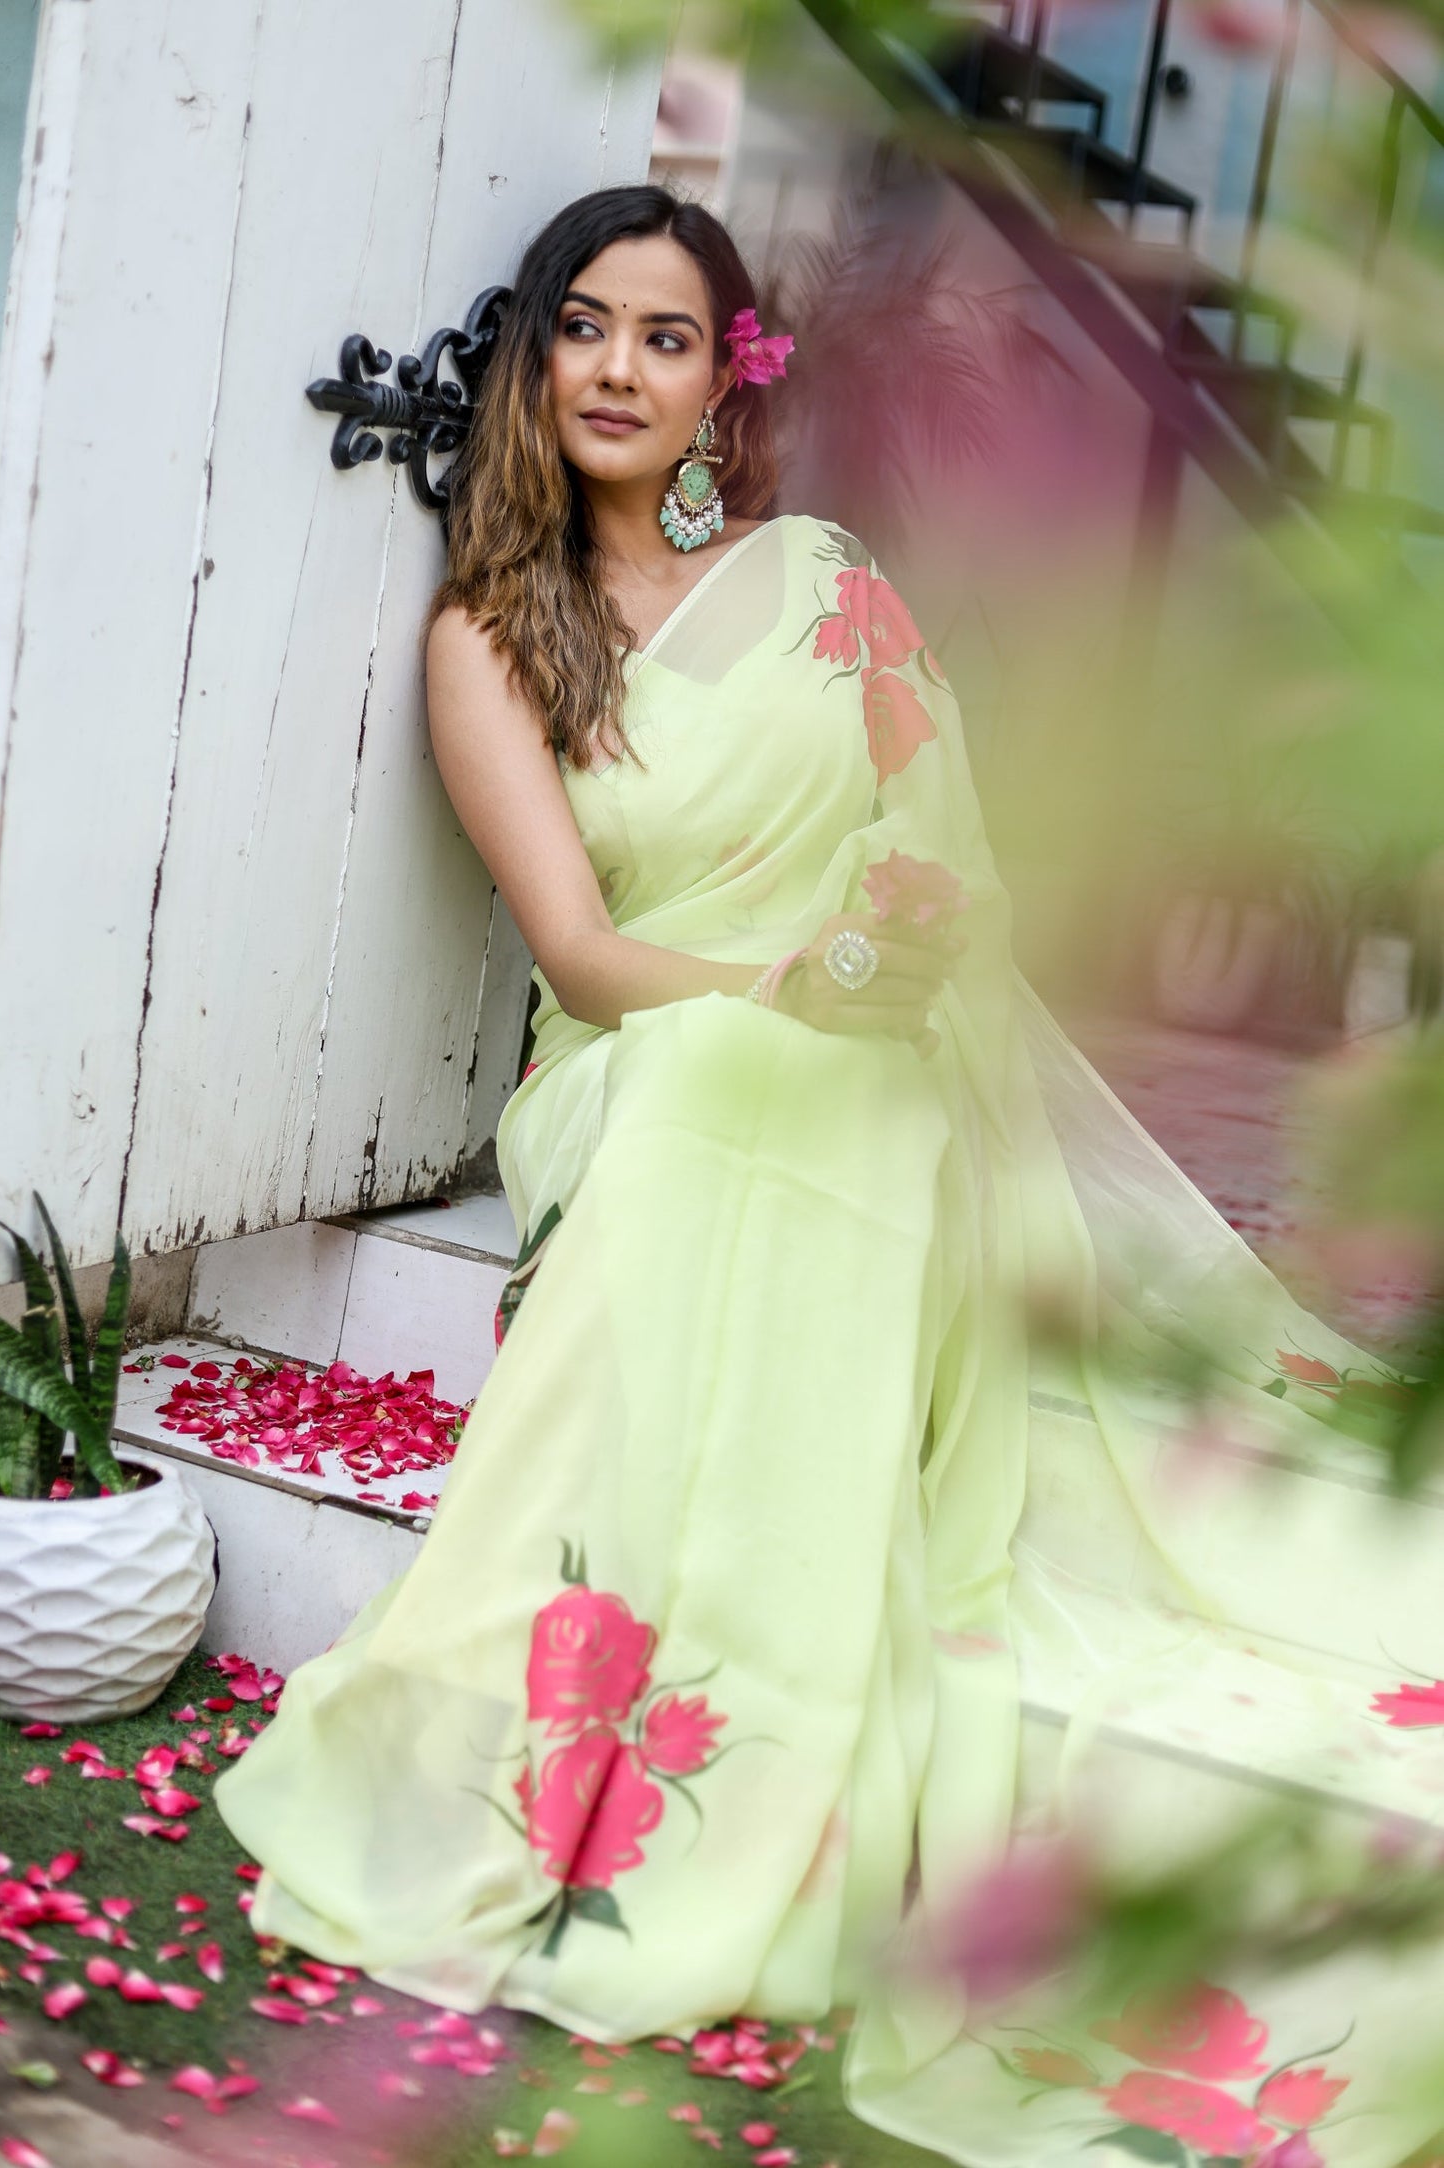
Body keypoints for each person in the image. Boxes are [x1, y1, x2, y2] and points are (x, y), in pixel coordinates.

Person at [216, 186, 1444, 2165]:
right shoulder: (489, 635)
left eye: (670, 338)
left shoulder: (819, 580)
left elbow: (948, 856)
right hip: (635, 1065)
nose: (623, 367)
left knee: (832, 1089)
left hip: (879, 1053)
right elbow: (588, 956)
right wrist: (781, 983)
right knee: (718, 1074)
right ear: (539, 361)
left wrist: (889, 953)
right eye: (589, 328)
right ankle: (651, 1742)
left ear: (723, 383)